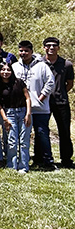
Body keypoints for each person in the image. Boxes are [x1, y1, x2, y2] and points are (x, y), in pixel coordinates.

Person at [12, 40, 56, 171]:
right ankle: (21, 160)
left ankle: (47, 161)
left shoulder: (42, 66)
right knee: (21, 136)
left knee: (42, 134)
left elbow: (50, 82)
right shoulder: (15, 67)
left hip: (39, 108)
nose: (23, 53)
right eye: (21, 50)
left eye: (26, 51)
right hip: (21, 108)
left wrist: (41, 97)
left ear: (31, 51)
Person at [43, 37, 74, 168]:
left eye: (54, 45)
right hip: (43, 102)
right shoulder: (39, 63)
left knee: (64, 131)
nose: (51, 47)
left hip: (61, 102)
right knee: (42, 130)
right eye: (48, 45)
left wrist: (59, 92)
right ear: (44, 47)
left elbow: (70, 84)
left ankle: (66, 160)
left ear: (58, 47)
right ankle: (41, 158)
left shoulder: (66, 64)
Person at [0, 62, 31, 172]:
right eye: (3, 70)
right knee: (12, 141)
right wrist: (5, 118)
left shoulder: (19, 82)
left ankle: (23, 167)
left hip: (23, 112)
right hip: (8, 114)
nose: (5, 72)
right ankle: (12, 166)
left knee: (24, 141)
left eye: (8, 70)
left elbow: (27, 98)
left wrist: (28, 113)